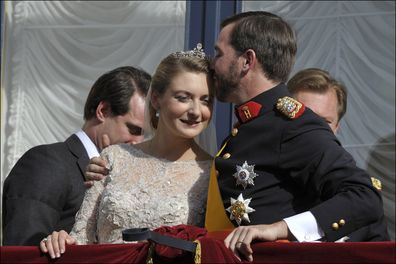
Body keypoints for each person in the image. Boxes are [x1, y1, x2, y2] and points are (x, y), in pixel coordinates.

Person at [205, 11, 386, 262]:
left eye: (219, 54)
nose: (212, 65)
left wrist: (279, 229)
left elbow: (364, 196)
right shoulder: (252, 123)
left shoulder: (292, 124)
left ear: (247, 60)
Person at [39, 44, 215, 259]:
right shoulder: (114, 158)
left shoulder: (212, 174)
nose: (196, 111)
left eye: (205, 100)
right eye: (183, 97)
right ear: (156, 99)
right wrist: (61, 241)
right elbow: (82, 238)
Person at [2, 66, 151, 246]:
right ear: (102, 111)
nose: (138, 141)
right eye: (133, 129)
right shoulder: (47, 162)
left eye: (145, 134)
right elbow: (23, 250)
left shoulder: (129, 178)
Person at [288, 68, 390, 241]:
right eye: (304, 120)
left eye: (324, 123)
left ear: (336, 128)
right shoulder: (263, 180)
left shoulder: (361, 198)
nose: (314, 131)